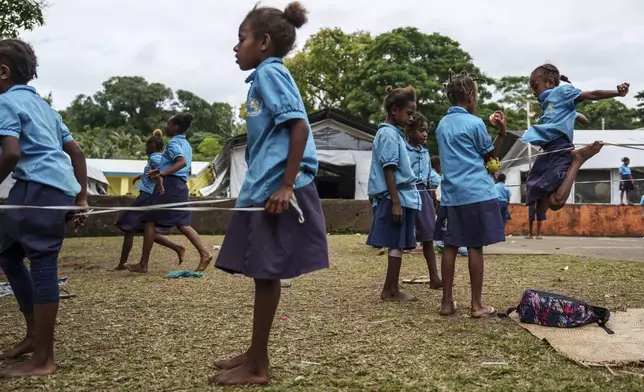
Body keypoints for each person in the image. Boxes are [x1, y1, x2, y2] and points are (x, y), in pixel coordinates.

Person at [210, 2, 329, 386]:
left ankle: (258, 365)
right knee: (261, 273)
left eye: (241, 38)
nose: (235, 47)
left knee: (265, 272)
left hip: (279, 192)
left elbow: (299, 128)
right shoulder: (265, 75)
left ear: (262, 43)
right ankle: (253, 351)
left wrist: (286, 185)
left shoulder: (270, 73)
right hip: (264, 187)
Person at [0, 39, 89, 377]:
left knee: (42, 265)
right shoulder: (46, 108)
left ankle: (43, 359)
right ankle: (32, 336)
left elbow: (10, 153)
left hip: (39, 190)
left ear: (3, 71)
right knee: (7, 253)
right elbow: (76, 153)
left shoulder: (5, 102)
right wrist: (81, 199)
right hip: (48, 190)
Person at [434, 70, 506, 318]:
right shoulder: (475, 124)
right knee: (475, 247)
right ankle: (476, 305)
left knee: (450, 247)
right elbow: (491, 161)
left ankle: (446, 303)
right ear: (470, 96)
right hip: (476, 193)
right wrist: (502, 134)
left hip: (451, 195)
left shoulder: (442, 125)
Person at [523, 64, 629, 216]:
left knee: (556, 203)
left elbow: (591, 95)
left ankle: (578, 159)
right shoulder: (549, 104)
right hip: (548, 152)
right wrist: (580, 119)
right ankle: (575, 160)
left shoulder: (561, 92)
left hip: (560, 148)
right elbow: (580, 117)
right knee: (539, 206)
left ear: (551, 83)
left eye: (535, 86)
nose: (534, 92)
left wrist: (617, 93)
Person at [127, 114, 213, 273]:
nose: (166, 127)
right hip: (180, 185)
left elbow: (181, 162)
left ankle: (143, 264)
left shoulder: (173, 143)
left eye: (168, 124)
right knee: (182, 223)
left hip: (171, 185)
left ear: (174, 126)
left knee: (150, 221)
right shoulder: (185, 143)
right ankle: (204, 253)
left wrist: (163, 175)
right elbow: (179, 165)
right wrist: (158, 172)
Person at [366, 85, 420, 302]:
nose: (411, 118)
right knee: (395, 242)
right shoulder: (388, 134)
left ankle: (391, 288)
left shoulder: (393, 134)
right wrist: (396, 202)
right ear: (394, 110)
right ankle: (390, 290)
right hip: (395, 197)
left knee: (397, 244)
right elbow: (389, 168)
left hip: (400, 196)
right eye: (408, 113)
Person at [112, 131, 186, 271]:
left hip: (146, 197)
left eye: (147, 145)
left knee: (128, 227)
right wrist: (142, 176)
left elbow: (159, 172)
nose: (145, 148)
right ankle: (177, 248)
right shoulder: (156, 157)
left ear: (152, 145)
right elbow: (156, 171)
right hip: (147, 196)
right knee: (146, 230)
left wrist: (160, 183)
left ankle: (123, 264)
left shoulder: (155, 157)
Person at [405, 113, 442, 289]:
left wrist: (432, 200)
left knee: (428, 236)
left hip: (424, 194)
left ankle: (434, 277)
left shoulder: (426, 153)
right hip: (407, 193)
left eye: (426, 131)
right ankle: (392, 282)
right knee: (401, 237)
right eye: (421, 130)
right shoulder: (403, 150)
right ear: (409, 131)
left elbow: (428, 181)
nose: (425, 134)